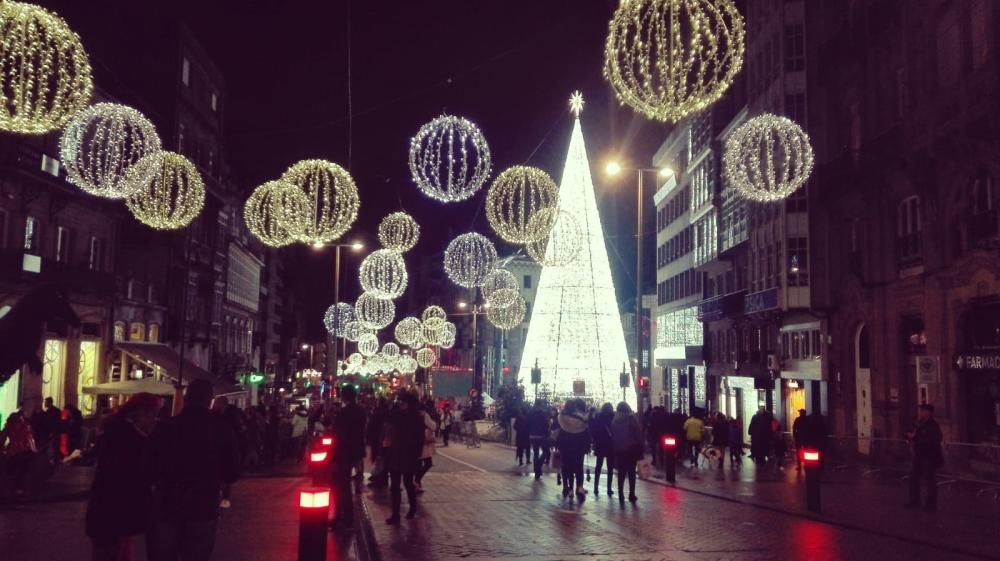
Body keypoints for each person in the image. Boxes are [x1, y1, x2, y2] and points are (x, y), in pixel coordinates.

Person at [146, 379, 240, 561]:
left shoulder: (166, 428)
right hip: (203, 504)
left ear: (187, 399)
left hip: (168, 504)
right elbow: (232, 471)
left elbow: (148, 466)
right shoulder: (221, 429)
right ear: (209, 400)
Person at [85, 393, 161, 561]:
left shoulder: (119, 433)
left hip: (112, 513)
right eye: (153, 415)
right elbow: (127, 478)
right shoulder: (128, 439)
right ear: (140, 414)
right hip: (113, 513)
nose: (154, 421)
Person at [383, 392, 424, 524]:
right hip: (402, 454)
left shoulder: (411, 417)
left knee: (403, 484)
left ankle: (406, 510)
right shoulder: (406, 416)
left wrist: (417, 454)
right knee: (400, 485)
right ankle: (401, 512)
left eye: (403, 402)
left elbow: (420, 438)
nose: (401, 405)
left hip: (404, 454)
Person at [332, 385, 366, 529]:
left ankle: (344, 518)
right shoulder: (361, 412)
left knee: (341, 485)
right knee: (346, 485)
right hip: (356, 451)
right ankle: (344, 517)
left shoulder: (344, 413)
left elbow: (339, 433)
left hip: (344, 452)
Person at [905, 404, 943, 512]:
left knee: (929, 480)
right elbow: (915, 435)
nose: (921, 413)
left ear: (929, 413)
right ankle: (914, 501)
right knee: (913, 477)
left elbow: (934, 440)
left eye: (923, 411)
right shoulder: (920, 424)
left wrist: (918, 440)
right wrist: (909, 436)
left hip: (928, 456)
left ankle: (931, 505)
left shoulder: (933, 426)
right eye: (921, 411)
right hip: (918, 455)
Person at [555, 399, 590, 498]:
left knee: (566, 466)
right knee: (578, 467)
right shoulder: (581, 419)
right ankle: (579, 487)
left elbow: (556, 430)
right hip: (578, 446)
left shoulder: (561, 417)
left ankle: (567, 487)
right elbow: (586, 433)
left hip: (564, 445)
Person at [0, 411, 36, 500]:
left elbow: (2, 438)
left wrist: (2, 448)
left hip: (14, 451)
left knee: (10, 472)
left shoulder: (9, 426)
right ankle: (24, 491)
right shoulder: (26, 425)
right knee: (25, 472)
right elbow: (31, 439)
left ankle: (10, 492)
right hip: (27, 452)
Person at [611, 402, 642, 504]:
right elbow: (638, 433)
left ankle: (620, 494)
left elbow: (613, 434)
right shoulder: (631, 419)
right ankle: (631, 494)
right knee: (631, 472)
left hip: (619, 449)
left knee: (621, 473)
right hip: (630, 449)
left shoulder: (615, 420)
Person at [590, 402, 615, 496]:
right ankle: (609, 488)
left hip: (600, 444)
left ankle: (596, 487)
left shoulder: (598, 417)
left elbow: (594, 430)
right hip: (610, 444)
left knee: (598, 466)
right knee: (610, 468)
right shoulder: (612, 417)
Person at [415, 401, 437, 492]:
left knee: (419, 464)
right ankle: (416, 480)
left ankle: (417, 484)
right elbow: (433, 426)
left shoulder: (413, 416)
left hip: (416, 442)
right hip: (424, 443)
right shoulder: (424, 415)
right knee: (428, 463)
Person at [367, 398, 389, 487]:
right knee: (382, 459)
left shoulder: (377, 413)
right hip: (382, 439)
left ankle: (379, 478)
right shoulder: (386, 412)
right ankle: (382, 478)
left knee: (378, 459)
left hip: (377, 439)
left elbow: (372, 426)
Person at [526, 400, 550, 480]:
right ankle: (539, 465)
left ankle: (537, 472)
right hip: (541, 436)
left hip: (532, 436)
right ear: (540, 404)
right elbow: (546, 424)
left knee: (535, 453)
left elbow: (527, 424)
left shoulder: (530, 413)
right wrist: (547, 434)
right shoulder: (543, 413)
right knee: (546, 451)